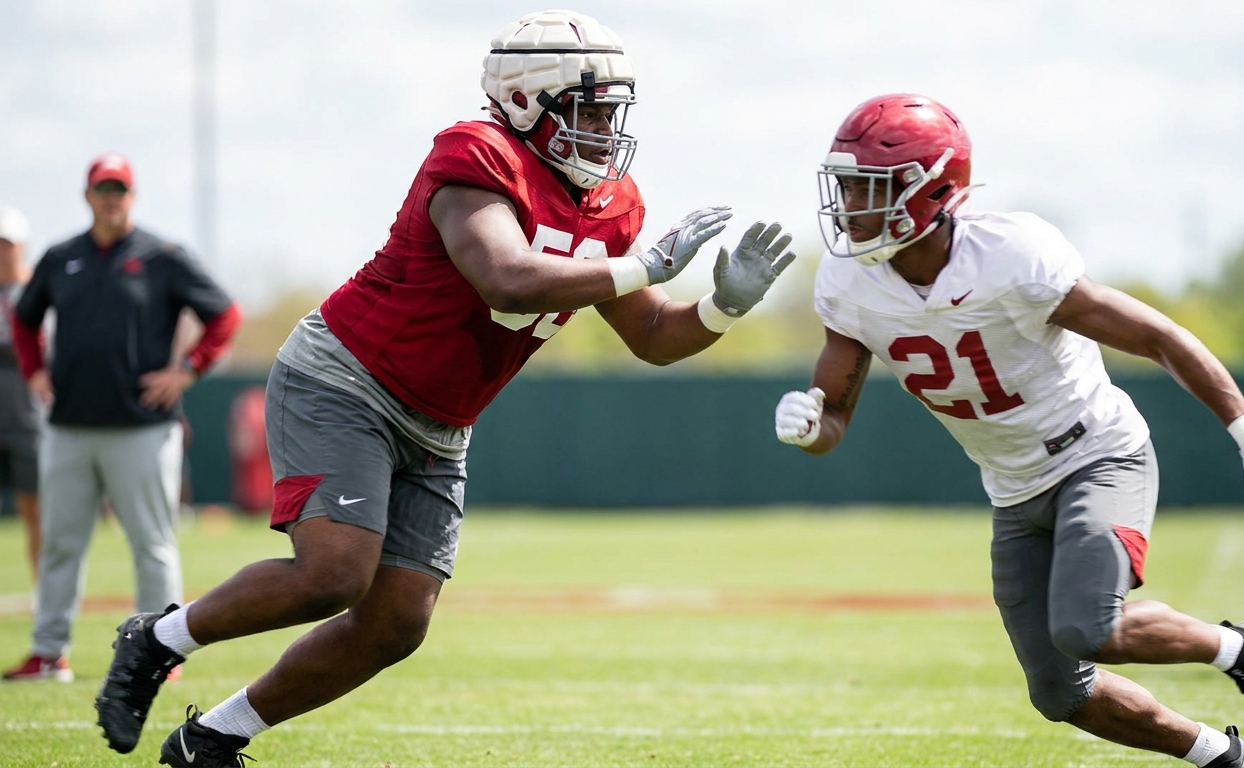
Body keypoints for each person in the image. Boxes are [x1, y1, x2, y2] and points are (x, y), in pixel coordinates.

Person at [93, 10, 796, 766]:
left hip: (440, 421)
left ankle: (213, 738)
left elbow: (655, 337)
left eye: (609, 110)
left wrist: (724, 307)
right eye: (586, 108)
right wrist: (645, 267)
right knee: (334, 574)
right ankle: (158, 638)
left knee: (397, 621)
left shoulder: (613, 205)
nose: (602, 127)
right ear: (528, 101)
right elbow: (507, 275)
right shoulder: (477, 154)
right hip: (349, 380)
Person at [774, 94, 1244, 768]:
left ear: (936, 192)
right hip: (1012, 486)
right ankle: (1220, 756)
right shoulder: (849, 283)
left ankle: (1241, 647)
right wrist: (811, 428)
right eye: (846, 185)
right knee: (1061, 695)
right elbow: (835, 414)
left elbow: (1157, 336)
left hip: (1095, 454)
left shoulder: (1010, 256)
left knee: (1086, 627)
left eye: (871, 186)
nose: (852, 204)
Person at [2, 155, 242, 684]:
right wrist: (34, 371)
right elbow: (23, 321)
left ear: (132, 195)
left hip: (143, 427)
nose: (112, 197)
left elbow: (224, 314)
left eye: (121, 188)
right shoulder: (62, 256)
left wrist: (188, 370)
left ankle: (159, 652)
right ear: (88, 195)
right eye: (103, 188)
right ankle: (48, 653)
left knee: (152, 543)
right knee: (61, 542)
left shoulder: (163, 255)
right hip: (68, 426)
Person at [0, 207, 43, 586]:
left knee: (36, 509)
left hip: (29, 421)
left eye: (7, 245)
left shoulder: (37, 291)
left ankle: (45, 593)